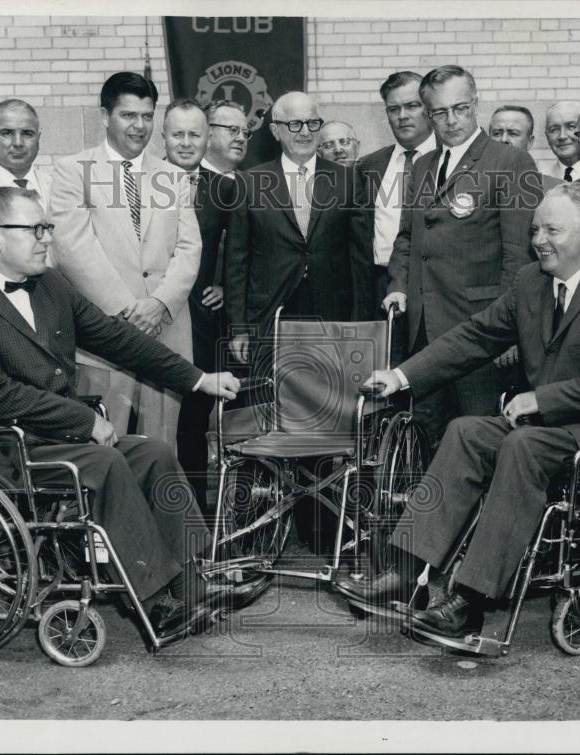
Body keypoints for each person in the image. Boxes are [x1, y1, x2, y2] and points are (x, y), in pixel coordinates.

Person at [336, 183, 580, 641]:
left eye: (553, 229)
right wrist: (401, 376)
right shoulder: (530, 282)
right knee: (467, 431)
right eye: (535, 229)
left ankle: (470, 599)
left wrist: (545, 400)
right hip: (538, 427)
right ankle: (405, 572)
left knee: (521, 444)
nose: (539, 239)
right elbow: (475, 337)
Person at [0, 187, 249, 639]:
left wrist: (198, 379)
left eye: (47, 228)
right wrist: (83, 421)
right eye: (34, 229)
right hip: (0, 448)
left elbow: (118, 339)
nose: (45, 239)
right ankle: (154, 603)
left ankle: (197, 587)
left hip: (56, 439)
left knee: (154, 453)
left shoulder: (51, 285)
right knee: (108, 462)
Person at [385, 65, 539, 448]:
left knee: (477, 441)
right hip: (423, 331)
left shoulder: (510, 162)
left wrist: (509, 332)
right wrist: (399, 284)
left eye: (460, 108)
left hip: (481, 333)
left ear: (476, 104)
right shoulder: (421, 166)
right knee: (427, 440)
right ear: (427, 113)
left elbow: (519, 257)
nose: (450, 120)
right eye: (439, 112)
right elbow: (407, 238)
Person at [49, 72, 202, 448]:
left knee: (161, 447)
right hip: (103, 334)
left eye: (147, 116)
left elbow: (188, 248)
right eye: (128, 115)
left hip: (165, 329)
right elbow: (73, 249)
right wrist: (127, 311)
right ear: (105, 116)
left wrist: (160, 303)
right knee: (103, 448)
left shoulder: (172, 177)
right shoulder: (73, 172)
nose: (139, 126)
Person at [224, 90, 372, 367]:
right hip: (270, 311)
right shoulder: (249, 182)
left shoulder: (349, 181)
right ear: (275, 131)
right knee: (272, 397)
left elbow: (360, 259)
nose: (305, 132)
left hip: (332, 311)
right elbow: (236, 261)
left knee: (330, 396)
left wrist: (359, 324)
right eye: (295, 124)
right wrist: (238, 327)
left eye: (312, 123)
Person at [164, 98, 245, 511]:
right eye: (178, 134)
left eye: (194, 134)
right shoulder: (139, 181)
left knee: (194, 423)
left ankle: (197, 518)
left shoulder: (227, 189)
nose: (186, 142)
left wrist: (225, 288)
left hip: (201, 322)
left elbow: (244, 252)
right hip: (151, 320)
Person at [356, 71, 437, 327]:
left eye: (412, 106)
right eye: (394, 109)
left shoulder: (451, 160)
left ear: (429, 108)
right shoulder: (368, 165)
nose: (402, 116)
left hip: (433, 287)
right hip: (378, 286)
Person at [0, 99, 51, 210]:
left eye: (27, 133)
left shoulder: (54, 187)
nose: (18, 143)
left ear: (39, 137)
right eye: (7, 133)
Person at [543, 101, 580, 182]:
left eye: (571, 127)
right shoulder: (541, 180)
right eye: (554, 129)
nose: (562, 136)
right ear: (547, 136)